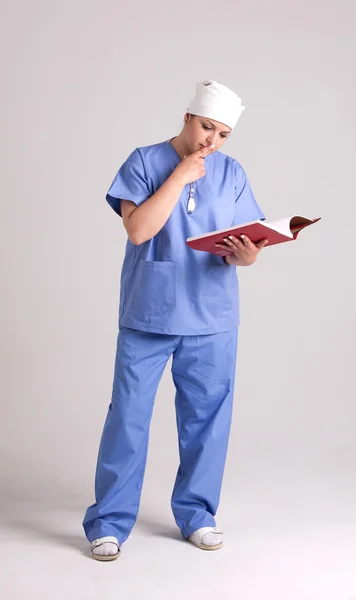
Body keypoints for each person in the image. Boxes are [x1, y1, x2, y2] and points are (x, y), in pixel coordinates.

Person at [82, 79, 268, 561]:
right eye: (207, 127)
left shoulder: (232, 173)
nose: (213, 141)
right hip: (149, 313)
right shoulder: (144, 161)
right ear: (187, 117)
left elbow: (240, 246)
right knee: (128, 417)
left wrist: (245, 258)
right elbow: (139, 229)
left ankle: (198, 514)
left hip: (212, 317)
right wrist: (181, 176)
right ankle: (109, 521)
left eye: (223, 134)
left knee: (207, 422)